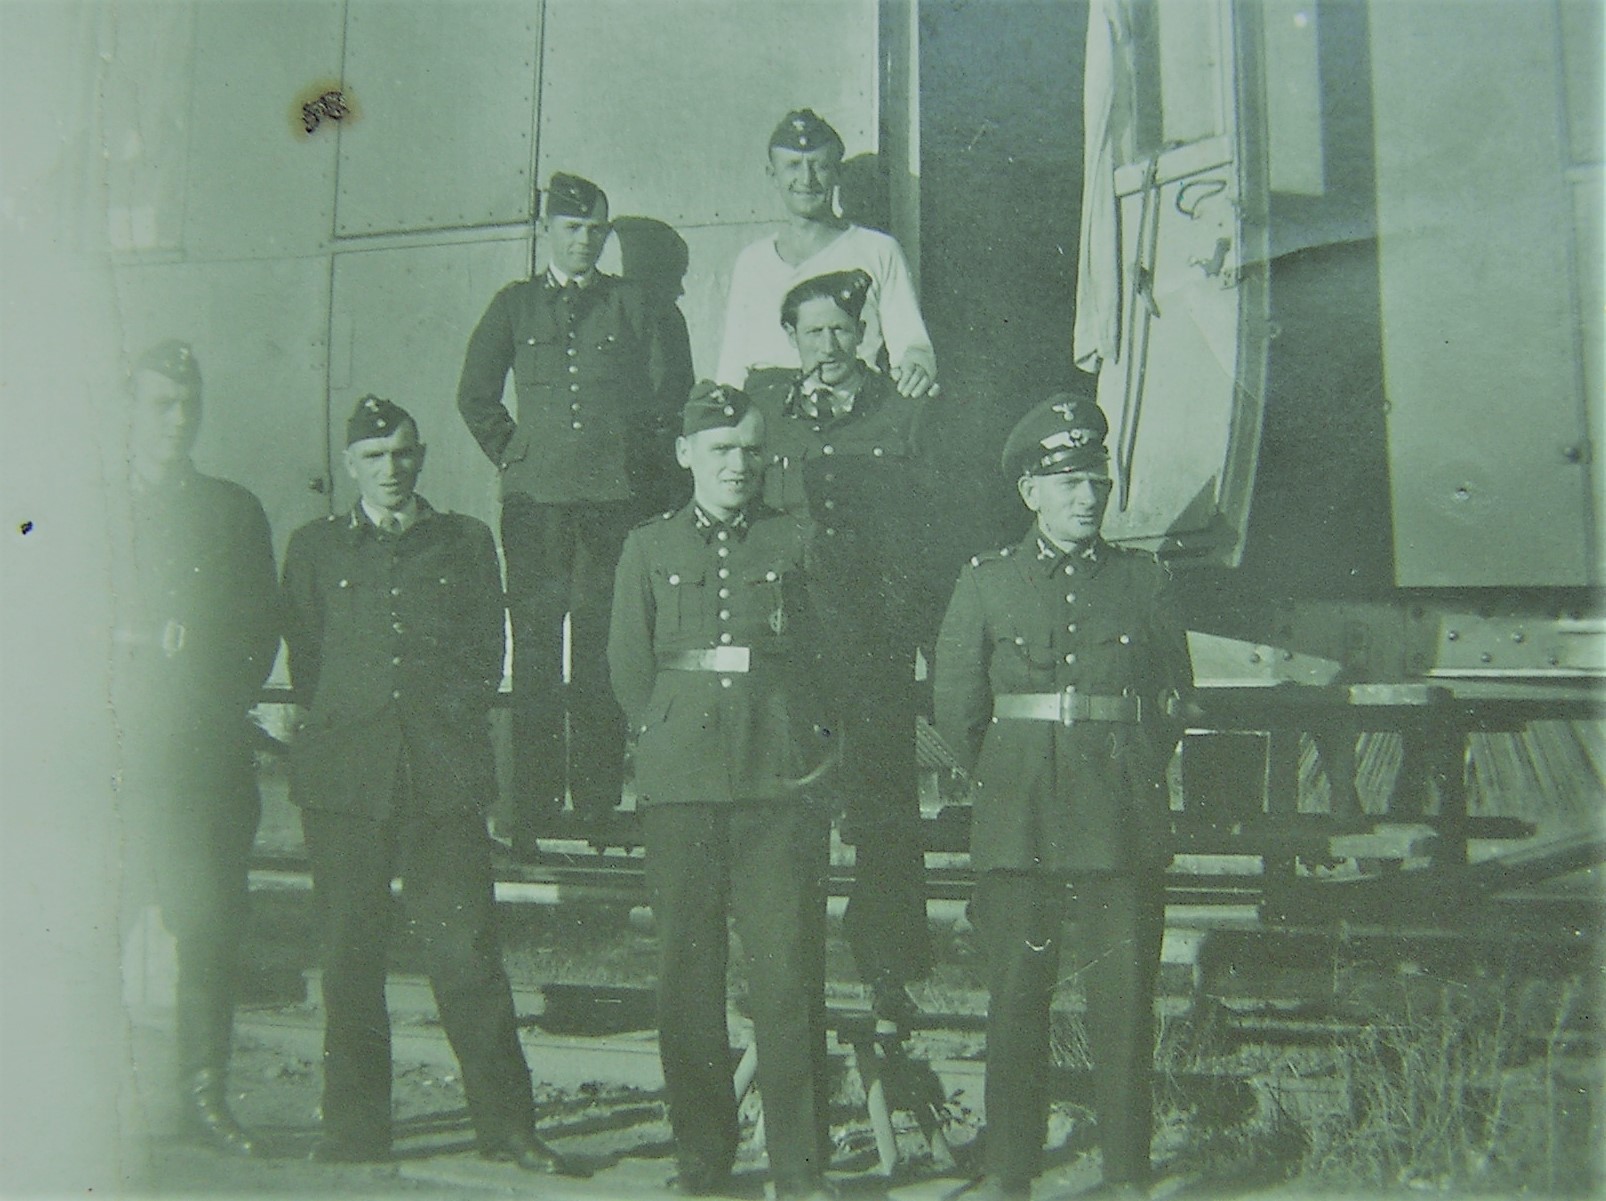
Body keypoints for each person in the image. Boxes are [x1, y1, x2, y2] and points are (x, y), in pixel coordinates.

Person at [282, 396, 581, 1172]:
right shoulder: (315, 547)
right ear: (350, 465)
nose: (391, 469)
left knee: (467, 953)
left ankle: (506, 1125)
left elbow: (485, 656)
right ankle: (355, 1128)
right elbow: (310, 662)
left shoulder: (465, 541)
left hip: (441, 778)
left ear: (420, 456)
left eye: (403, 453)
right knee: (350, 957)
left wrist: (439, 729)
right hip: (347, 783)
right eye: (374, 456)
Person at [934, 395, 1193, 1200]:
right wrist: (1011, 774)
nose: (1089, 496)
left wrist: (1128, 767)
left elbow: (1171, 699)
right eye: (1070, 482)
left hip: (1118, 813)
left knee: (1124, 1003)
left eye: (1097, 481)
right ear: (1031, 492)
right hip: (1020, 818)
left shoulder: (1143, 579)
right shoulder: (985, 581)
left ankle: (1127, 1173)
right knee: (1017, 998)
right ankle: (1011, 1169)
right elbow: (958, 709)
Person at [607, 383, 834, 1201]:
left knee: (786, 973)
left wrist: (803, 754)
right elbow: (630, 667)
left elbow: (824, 659)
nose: (739, 464)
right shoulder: (648, 545)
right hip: (681, 785)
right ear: (686, 455)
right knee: (687, 974)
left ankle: (799, 1164)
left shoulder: (796, 540)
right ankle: (704, 1158)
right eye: (721, 450)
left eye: (750, 449)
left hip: (774, 781)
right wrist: (672, 737)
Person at [457, 172, 692, 854]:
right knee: (534, 648)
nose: (584, 240)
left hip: (612, 503)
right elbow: (476, 393)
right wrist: (516, 452)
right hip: (536, 506)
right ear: (548, 231)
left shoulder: (634, 304)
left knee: (599, 649)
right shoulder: (515, 305)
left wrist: (636, 469)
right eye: (571, 229)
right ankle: (530, 805)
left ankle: (595, 804)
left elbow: (667, 395)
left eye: (595, 230)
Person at [744, 269, 936, 1024]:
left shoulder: (905, 412)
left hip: (874, 641)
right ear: (790, 337)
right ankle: (783, 972)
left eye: (841, 330)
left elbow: (926, 532)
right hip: (791, 643)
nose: (827, 345)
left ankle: (890, 976)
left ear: (863, 335)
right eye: (812, 331)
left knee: (884, 810)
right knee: (788, 811)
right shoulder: (766, 410)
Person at [110, 340, 280, 1157]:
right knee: (88, 928)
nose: (178, 420)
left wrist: (199, 667)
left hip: (198, 759)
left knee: (209, 924)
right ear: (127, 410)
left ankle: (204, 1096)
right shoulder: (78, 509)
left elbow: (259, 633)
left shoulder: (232, 510)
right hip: (103, 761)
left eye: (189, 405)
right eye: (160, 405)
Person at [715, 109, 937, 400]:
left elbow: (912, 344)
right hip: (769, 409)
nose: (806, 179)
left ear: (837, 173)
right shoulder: (752, 262)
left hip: (850, 406)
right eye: (793, 166)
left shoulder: (878, 250)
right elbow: (732, 366)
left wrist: (916, 365)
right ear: (772, 175)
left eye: (819, 166)